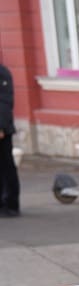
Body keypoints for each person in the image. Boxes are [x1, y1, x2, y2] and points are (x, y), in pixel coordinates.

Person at [0, 58, 19, 217]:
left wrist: (1, 126)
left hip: (2, 129)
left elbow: (4, 103)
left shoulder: (2, 73)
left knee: (6, 167)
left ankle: (11, 204)